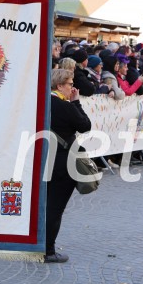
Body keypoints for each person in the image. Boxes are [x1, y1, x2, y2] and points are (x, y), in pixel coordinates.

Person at [46, 68, 92, 263]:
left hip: (44, 159)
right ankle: (48, 250)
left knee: (45, 205)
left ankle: (38, 243)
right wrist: (76, 103)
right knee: (55, 208)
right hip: (63, 163)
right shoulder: (64, 105)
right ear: (60, 85)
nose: (72, 88)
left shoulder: (43, 102)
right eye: (70, 84)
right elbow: (85, 125)